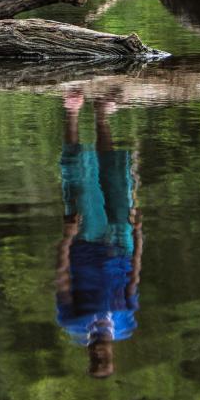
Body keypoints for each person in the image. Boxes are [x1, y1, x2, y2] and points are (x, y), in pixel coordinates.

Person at [54, 90, 143, 379]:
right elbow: (133, 281)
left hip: (85, 244)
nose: (99, 356)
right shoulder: (125, 326)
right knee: (116, 175)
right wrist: (138, 236)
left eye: (95, 362)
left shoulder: (73, 324)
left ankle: (72, 111)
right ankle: (102, 115)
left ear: (89, 358)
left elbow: (62, 279)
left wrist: (67, 237)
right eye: (104, 362)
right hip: (121, 244)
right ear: (112, 358)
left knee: (80, 179)